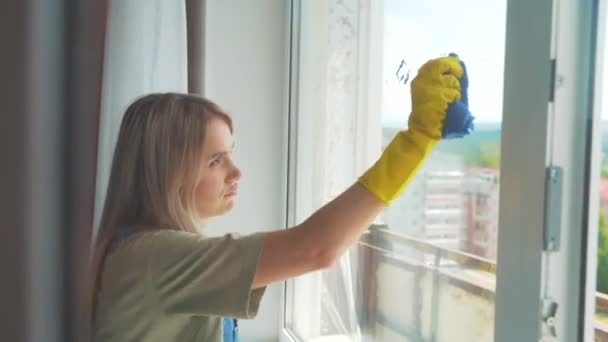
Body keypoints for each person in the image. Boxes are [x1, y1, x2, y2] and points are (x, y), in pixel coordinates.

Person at [88, 54, 472, 342]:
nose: (236, 173)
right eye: (215, 160)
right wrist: (416, 140)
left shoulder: (141, 252)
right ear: (165, 171)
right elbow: (314, 248)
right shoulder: (155, 258)